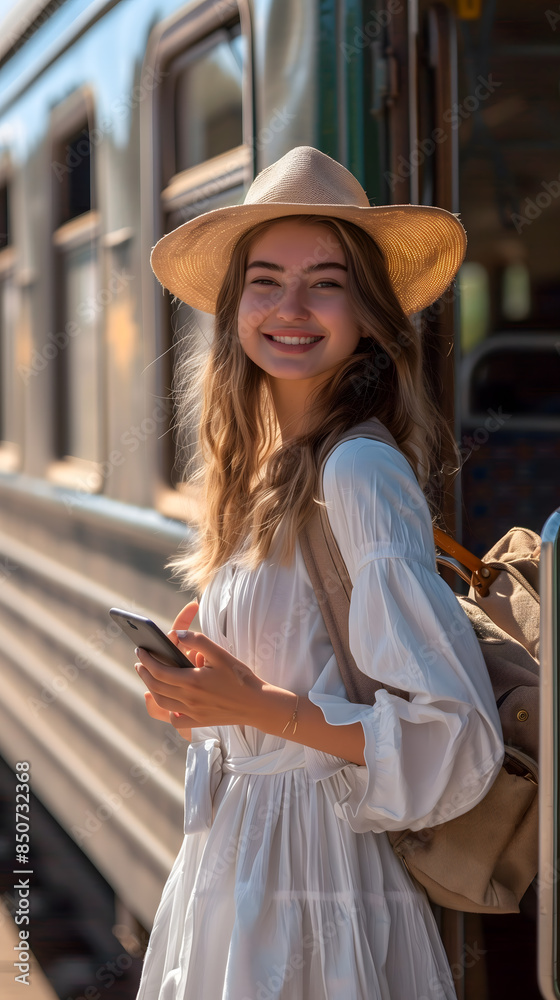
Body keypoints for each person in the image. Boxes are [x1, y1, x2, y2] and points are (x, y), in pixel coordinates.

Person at [133, 146, 503, 1000]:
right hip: (243, 869)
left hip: (314, 890)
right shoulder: (266, 465)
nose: (290, 307)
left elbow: (456, 739)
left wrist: (260, 709)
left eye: (325, 282)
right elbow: (287, 690)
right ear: (234, 311)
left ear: (368, 314)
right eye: (265, 280)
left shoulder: (359, 474)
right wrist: (207, 702)